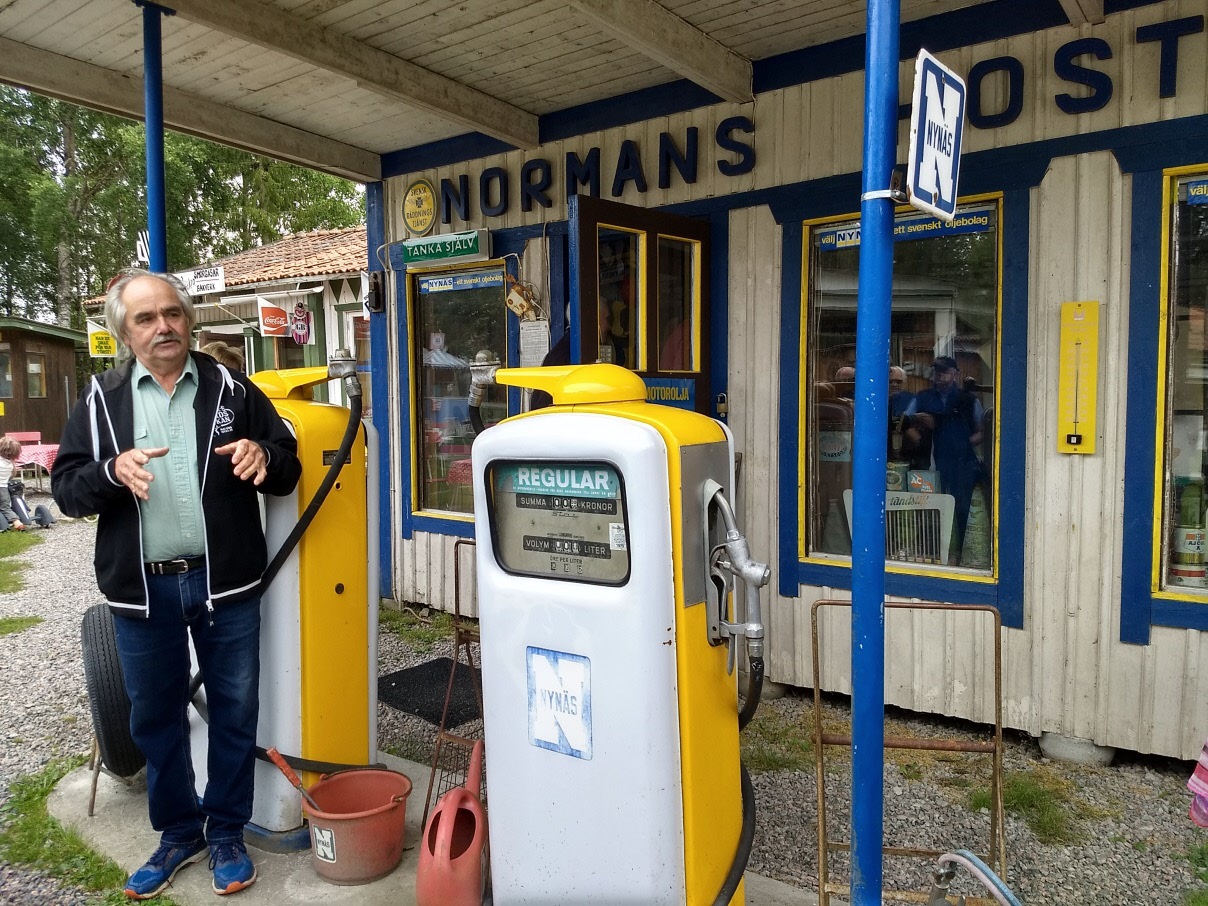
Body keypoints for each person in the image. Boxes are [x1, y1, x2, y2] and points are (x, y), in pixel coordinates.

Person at [52, 269, 301, 899]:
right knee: (155, 719)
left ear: (188, 320)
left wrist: (264, 457)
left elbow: (288, 466)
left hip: (226, 586)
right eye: (146, 317)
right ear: (124, 332)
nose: (163, 326)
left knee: (235, 713)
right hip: (142, 591)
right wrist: (112, 471)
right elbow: (67, 491)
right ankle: (178, 834)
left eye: (172, 313)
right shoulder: (99, 401)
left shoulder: (232, 389)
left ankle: (226, 834)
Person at [910, 355, 985, 557]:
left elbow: (981, 432)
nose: (940, 375)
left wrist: (962, 444)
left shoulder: (968, 400)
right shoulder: (922, 397)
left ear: (956, 374)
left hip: (962, 463)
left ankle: (959, 554)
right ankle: (930, 553)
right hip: (930, 463)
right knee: (928, 507)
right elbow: (904, 424)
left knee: (962, 507)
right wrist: (917, 433)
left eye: (945, 371)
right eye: (937, 371)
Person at [530, 304, 619, 410]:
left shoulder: (563, 350)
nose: (609, 326)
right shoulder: (570, 354)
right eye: (607, 319)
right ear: (594, 319)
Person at [0, 435, 25, 530]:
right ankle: (17, 522)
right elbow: (11, 476)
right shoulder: (10, 465)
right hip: (3, 489)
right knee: (5, 507)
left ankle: (7, 523)